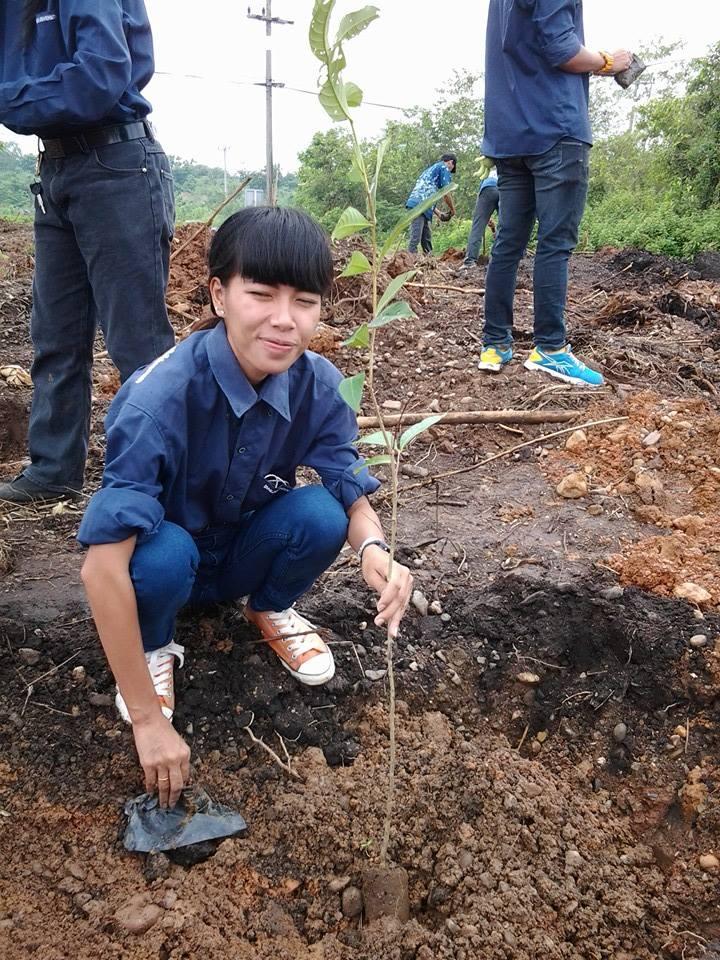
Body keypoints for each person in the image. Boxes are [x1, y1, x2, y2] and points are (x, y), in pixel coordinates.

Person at [77, 207, 414, 809]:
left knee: (323, 513)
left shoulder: (318, 384)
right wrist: (149, 724)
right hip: (165, 566)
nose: (284, 320)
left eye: (304, 301)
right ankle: (154, 646)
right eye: (260, 294)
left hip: (238, 554)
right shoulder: (158, 400)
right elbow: (101, 568)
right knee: (163, 554)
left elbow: (347, 483)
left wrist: (374, 547)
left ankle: (268, 607)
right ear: (219, 295)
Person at [0, 0, 175, 504]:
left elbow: (99, 75)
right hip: (56, 170)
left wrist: (10, 99)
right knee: (55, 333)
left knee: (138, 339)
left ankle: (164, 478)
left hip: (116, 165)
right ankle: (53, 470)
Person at [478, 0, 632, 385]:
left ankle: (495, 344)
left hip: (509, 134)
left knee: (508, 243)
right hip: (555, 128)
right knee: (555, 243)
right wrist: (609, 61)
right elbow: (563, 50)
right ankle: (550, 348)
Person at [405, 154, 457, 255]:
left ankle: (429, 260)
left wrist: (438, 213)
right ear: (451, 162)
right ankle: (409, 259)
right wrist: (453, 210)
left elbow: (426, 194)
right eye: (451, 169)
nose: (449, 172)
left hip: (422, 205)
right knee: (416, 237)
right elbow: (446, 193)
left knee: (426, 237)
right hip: (419, 206)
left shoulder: (429, 170)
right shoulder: (443, 167)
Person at [460, 170, 499, 269]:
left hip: (487, 189)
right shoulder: (507, 171)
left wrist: (484, 217)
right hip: (504, 189)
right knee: (505, 226)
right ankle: (500, 260)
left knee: (477, 227)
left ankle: (470, 261)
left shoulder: (487, 174)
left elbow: (480, 195)